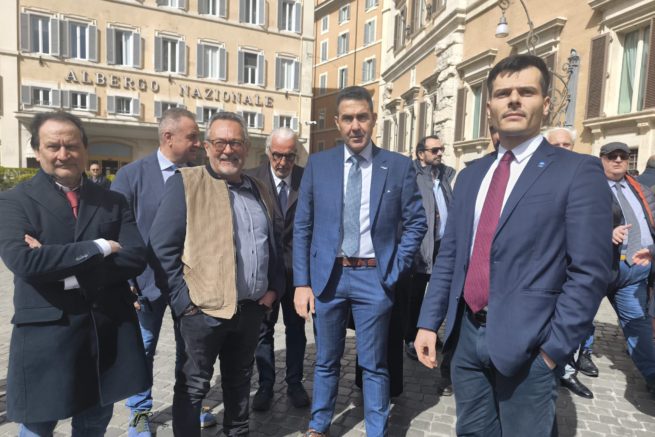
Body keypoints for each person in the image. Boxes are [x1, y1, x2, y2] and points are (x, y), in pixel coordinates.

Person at [414, 55, 613, 436]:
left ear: (546, 103)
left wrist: (552, 351)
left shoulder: (576, 171)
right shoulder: (472, 175)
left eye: (527, 92)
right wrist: (428, 323)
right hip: (466, 338)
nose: (514, 100)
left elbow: (589, 271)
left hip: (530, 345)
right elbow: (451, 256)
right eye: (504, 93)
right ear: (489, 106)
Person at [0, 111, 149, 436]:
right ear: (37, 150)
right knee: (37, 429)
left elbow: (136, 256)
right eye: (53, 146)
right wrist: (100, 246)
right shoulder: (13, 201)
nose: (63, 154)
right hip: (46, 334)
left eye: (71, 145)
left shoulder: (112, 200)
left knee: (93, 425)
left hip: (105, 330)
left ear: (85, 148)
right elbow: (24, 262)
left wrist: (61, 268)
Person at [293, 85, 427, 436]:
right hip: (329, 277)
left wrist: (394, 269)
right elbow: (303, 226)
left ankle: (376, 430)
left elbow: (416, 222)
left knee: (374, 363)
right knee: (326, 360)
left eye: (362, 118)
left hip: (374, 278)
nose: (355, 126)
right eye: (348, 118)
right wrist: (302, 283)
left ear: (374, 119)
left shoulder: (397, 166)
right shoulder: (318, 165)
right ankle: (319, 425)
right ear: (338, 122)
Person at [149, 111, 285, 436]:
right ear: (207, 146)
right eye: (220, 142)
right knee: (193, 387)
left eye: (235, 142)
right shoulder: (186, 182)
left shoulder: (259, 188)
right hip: (202, 313)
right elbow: (161, 248)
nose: (228, 150)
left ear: (246, 147)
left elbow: (275, 243)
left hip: (250, 310)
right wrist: (184, 304)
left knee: (240, 382)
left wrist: (273, 289)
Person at [111, 108, 212, 436]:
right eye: (192, 137)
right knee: (143, 350)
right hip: (145, 285)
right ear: (168, 137)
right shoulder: (132, 175)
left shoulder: (202, 175)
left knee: (192, 352)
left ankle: (190, 406)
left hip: (192, 284)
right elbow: (116, 230)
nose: (198, 143)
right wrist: (125, 281)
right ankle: (139, 414)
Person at [246, 127, 309, 411]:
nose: (283, 162)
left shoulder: (307, 179)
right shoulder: (251, 179)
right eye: (277, 155)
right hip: (265, 272)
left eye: (290, 156)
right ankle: (266, 385)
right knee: (263, 331)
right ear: (268, 152)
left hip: (297, 274)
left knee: (296, 330)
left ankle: (294, 383)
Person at [600, 141, 655, 397]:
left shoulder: (639, 188)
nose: (619, 160)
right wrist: (606, 232)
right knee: (578, 322)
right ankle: (563, 369)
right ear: (602, 159)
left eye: (623, 156)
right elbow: (574, 222)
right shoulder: (590, 188)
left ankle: (653, 375)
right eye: (612, 156)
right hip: (601, 268)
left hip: (635, 269)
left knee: (637, 324)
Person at [544, 126, 596, 399]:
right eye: (556, 145)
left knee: (572, 320)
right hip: (544, 272)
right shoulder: (536, 178)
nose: (562, 150)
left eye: (567, 145)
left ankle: (566, 370)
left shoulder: (583, 175)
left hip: (573, 269)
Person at [403, 135, 454, 396]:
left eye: (441, 149)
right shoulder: (412, 176)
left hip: (443, 244)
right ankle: (411, 338)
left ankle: (430, 329)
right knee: (414, 295)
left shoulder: (444, 176)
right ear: (421, 153)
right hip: (421, 247)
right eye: (434, 150)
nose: (440, 153)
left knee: (439, 292)